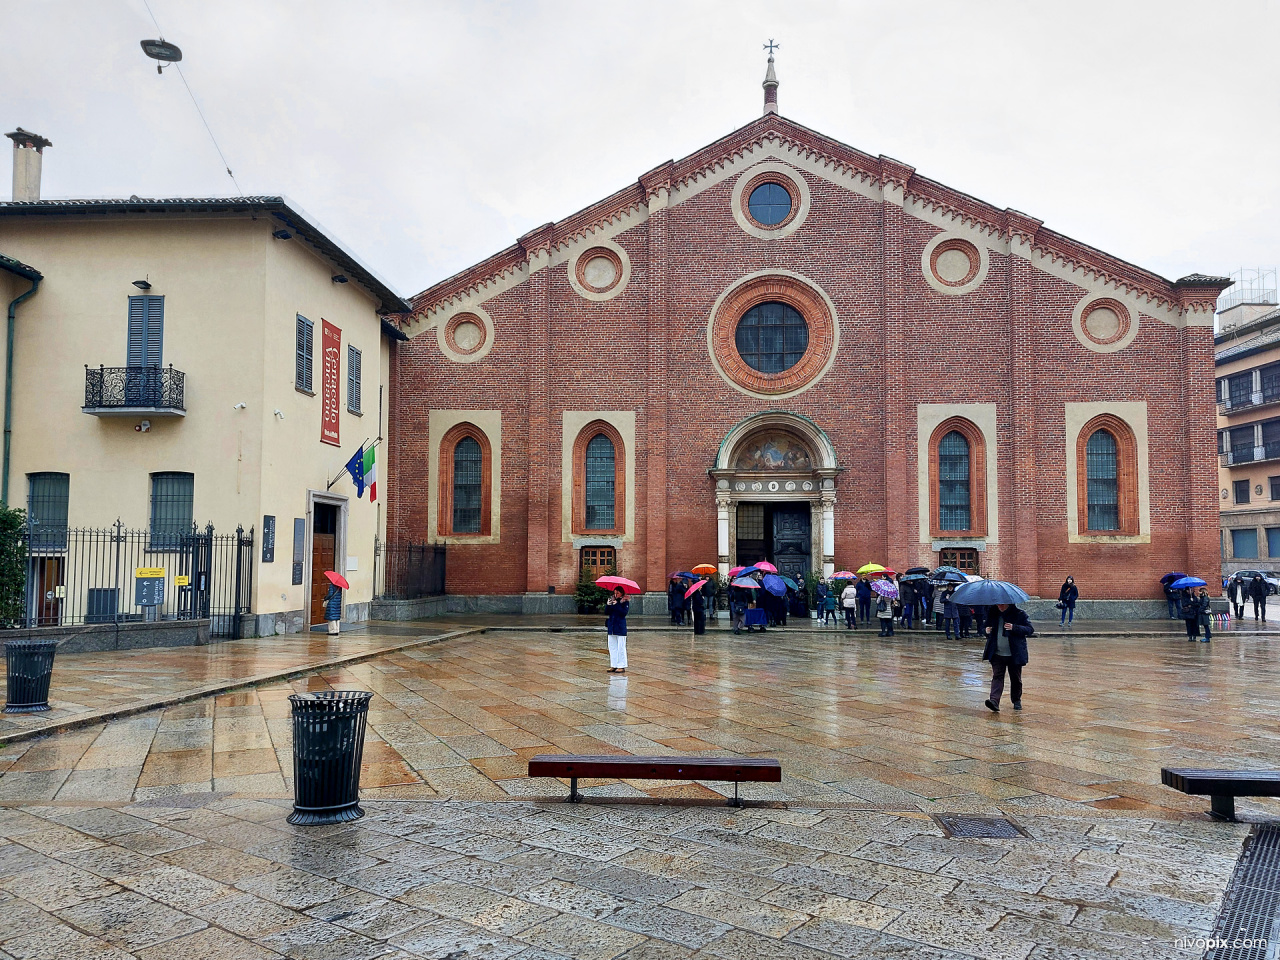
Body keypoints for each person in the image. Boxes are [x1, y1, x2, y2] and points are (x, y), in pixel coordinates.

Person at [982, 602, 1035, 712]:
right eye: (998, 604)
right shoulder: (993, 614)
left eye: (1002, 604)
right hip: (997, 653)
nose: (1000, 606)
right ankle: (994, 701)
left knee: (1015, 678)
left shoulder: (1019, 614)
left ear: (1009, 604)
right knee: (997, 676)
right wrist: (986, 631)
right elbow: (984, 628)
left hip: (1014, 653)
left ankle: (1016, 700)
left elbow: (1029, 629)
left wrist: (1014, 627)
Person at [605, 586, 629, 673]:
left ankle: (621, 665)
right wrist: (608, 605)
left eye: (617, 593)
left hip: (620, 627)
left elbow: (623, 613)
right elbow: (606, 612)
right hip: (612, 626)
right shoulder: (612, 600)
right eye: (615, 592)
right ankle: (614, 665)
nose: (615, 594)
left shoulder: (624, 602)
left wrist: (617, 604)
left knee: (621, 647)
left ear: (621, 593)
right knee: (612, 647)